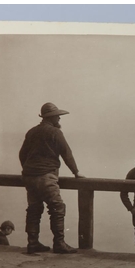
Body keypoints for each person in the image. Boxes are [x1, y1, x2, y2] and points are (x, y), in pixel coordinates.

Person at [19, 102, 85, 255]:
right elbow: (66, 153)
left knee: (34, 208)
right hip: (46, 176)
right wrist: (76, 172)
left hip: (29, 176)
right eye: (58, 117)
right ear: (53, 118)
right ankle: (59, 243)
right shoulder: (55, 132)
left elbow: (22, 154)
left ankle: (32, 243)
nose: (59, 120)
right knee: (57, 207)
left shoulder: (32, 132)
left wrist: (29, 169)